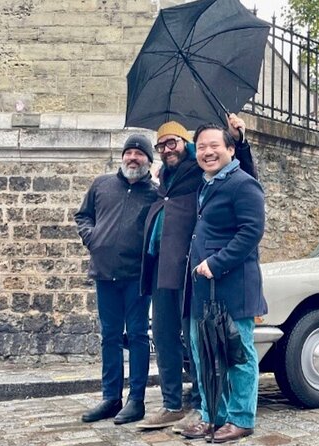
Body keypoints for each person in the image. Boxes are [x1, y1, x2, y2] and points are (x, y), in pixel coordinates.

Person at [138, 115, 257, 431]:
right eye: (161, 144)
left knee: (232, 350)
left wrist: (239, 141)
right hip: (185, 273)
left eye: (173, 141)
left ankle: (237, 417)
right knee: (196, 345)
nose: (167, 148)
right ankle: (205, 413)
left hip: (214, 275)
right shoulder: (180, 179)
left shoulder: (216, 174)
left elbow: (249, 222)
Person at [181, 123, 266, 443]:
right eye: (201, 146)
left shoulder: (244, 185)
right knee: (204, 355)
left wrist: (215, 264)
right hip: (204, 291)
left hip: (234, 288)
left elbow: (251, 233)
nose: (207, 152)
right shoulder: (206, 184)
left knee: (237, 355)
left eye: (214, 145)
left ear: (231, 149)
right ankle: (212, 417)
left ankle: (241, 419)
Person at [75, 135, 157, 425]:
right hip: (104, 274)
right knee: (109, 336)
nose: (133, 157)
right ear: (122, 157)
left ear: (149, 160)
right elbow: (82, 216)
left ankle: (136, 400)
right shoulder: (102, 185)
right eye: (129, 152)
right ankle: (111, 398)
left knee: (136, 336)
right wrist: (92, 238)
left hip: (136, 278)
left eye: (139, 153)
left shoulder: (155, 194)